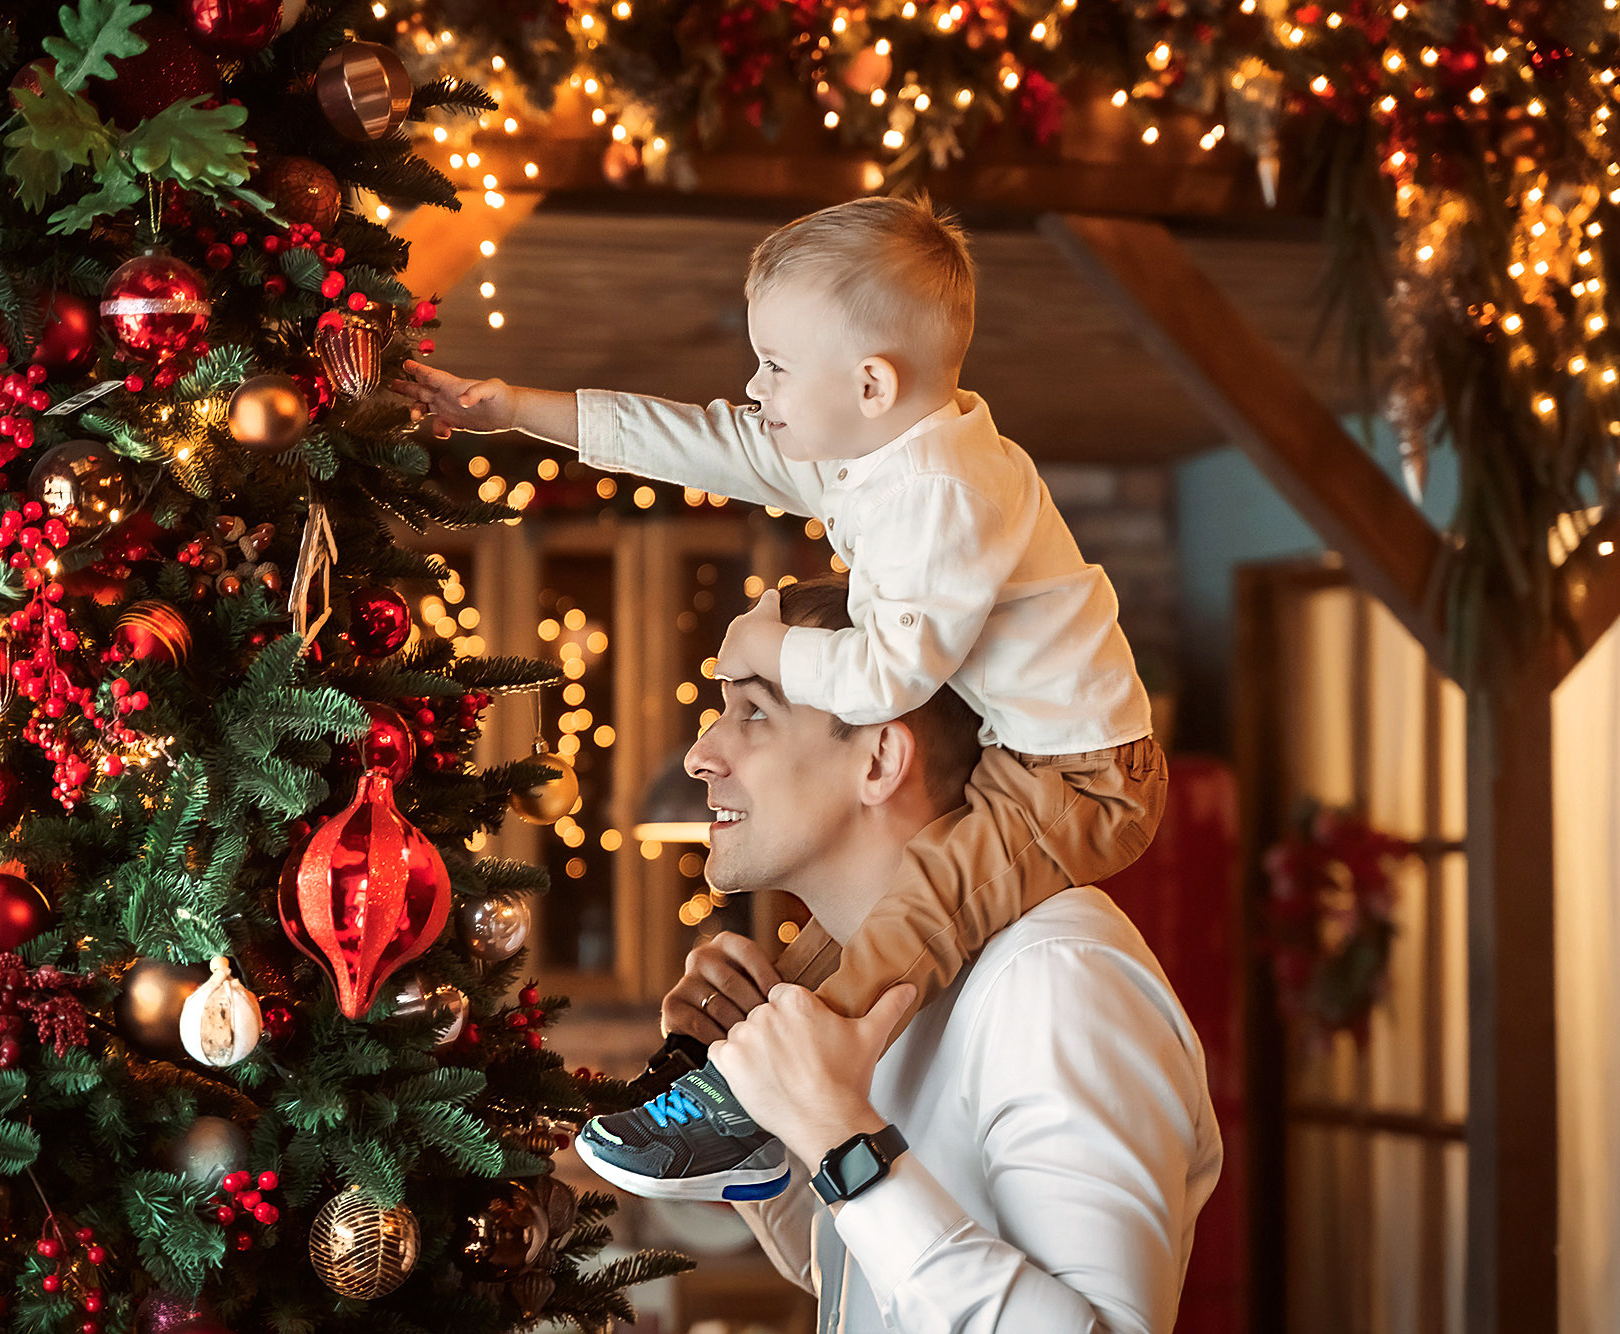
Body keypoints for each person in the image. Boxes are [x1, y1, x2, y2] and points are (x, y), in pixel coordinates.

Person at [393, 195, 1164, 1200]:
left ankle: (756, 1102)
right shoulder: (879, 454)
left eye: (774, 365)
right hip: (1022, 750)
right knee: (843, 939)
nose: (753, 388)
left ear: (870, 383)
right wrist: (518, 409)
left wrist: (769, 649)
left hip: (1081, 774)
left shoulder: (939, 492)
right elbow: (702, 443)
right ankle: (749, 1105)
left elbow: (890, 675)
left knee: (921, 909)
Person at [634, 577, 1221, 1331]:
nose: (699, 756)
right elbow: (861, 1283)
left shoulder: (1054, 976)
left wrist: (842, 1141)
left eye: (755, 712)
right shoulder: (861, 990)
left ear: (880, 759)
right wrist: (755, 1094)